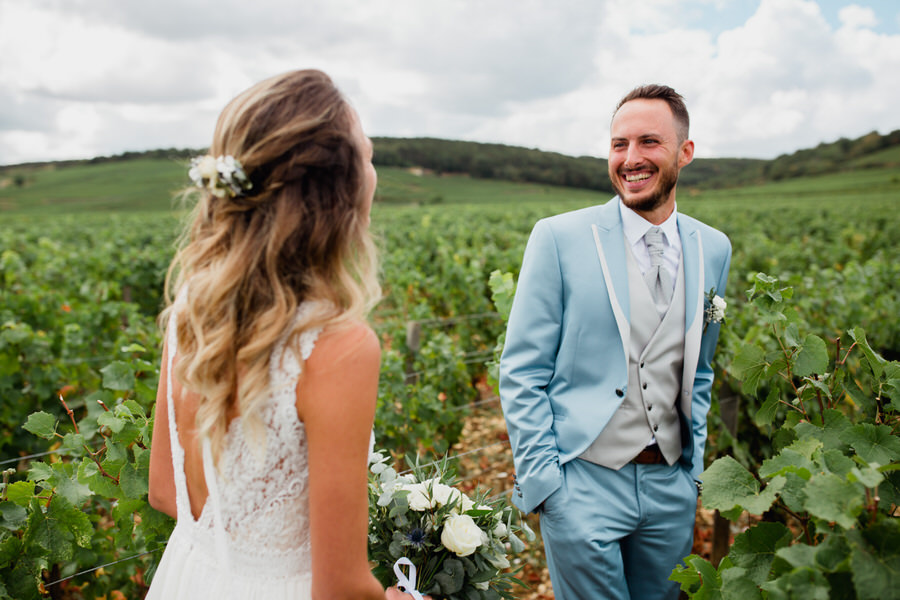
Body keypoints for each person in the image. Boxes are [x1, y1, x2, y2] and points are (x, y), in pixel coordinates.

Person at [147, 69, 414, 600]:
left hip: (188, 576)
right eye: (369, 155)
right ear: (336, 193)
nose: (373, 172)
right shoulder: (337, 345)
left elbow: (163, 490)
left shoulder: (193, 309)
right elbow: (339, 588)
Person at [499, 84, 732, 599]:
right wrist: (546, 485)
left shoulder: (713, 248)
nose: (631, 159)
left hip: (669, 484)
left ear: (684, 152)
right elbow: (522, 370)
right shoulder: (557, 238)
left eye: (649, 142)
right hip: (581, 482)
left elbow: (701, 369)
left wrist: (691, 474)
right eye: (618, 144)